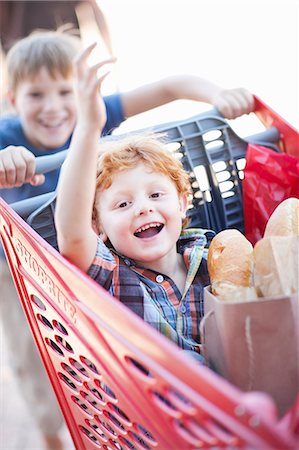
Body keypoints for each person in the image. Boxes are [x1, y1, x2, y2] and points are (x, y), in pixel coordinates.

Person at [0, 29, 254, 450]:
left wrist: (219, 93)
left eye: (67, 92)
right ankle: (51, 434)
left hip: (204, 413)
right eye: (36, 96)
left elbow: (172, 85)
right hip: (16, 261)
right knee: (38, 355)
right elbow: (74, 230)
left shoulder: (206, 252)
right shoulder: (115, 270)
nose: (54, 108)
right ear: (13, 100)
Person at [55, 44, 213, 366]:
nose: (142, 208)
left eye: (156, 196)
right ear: (98, 228)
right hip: (158, 405)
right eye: (123, 204)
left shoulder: (212, 258)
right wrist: (87, 128)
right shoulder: (112, 276)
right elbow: (71, 232)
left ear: (183, 204)